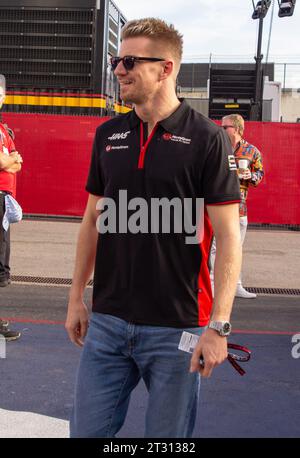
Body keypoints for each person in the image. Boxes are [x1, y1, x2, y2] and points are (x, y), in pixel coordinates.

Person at [66, 18, 242, 438]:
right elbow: (92, 220)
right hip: (107, 323)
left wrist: (219, 325)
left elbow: (230, 236)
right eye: (116, 60)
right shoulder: (108, 135)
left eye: (128, 61)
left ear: (165, 68)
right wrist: (76, 297)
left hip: (177, 327)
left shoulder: (206, 139)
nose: (117, 70)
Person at [210, 114, 264, 299]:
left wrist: (252, 176)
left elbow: (259, 174)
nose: (221, 129)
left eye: (225, 127)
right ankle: (211, 284)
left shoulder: (252, 151)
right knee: (215, 247)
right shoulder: (216, 147)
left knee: (236, 248)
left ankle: (236, 285)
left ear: (238, 129)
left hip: (240, 208)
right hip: (218, 207)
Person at [0, 74, 22, 341]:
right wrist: (7, 160)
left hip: (4, 200)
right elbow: (8, 162)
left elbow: (16, 163)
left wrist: (8, 160)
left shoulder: (3, 128)